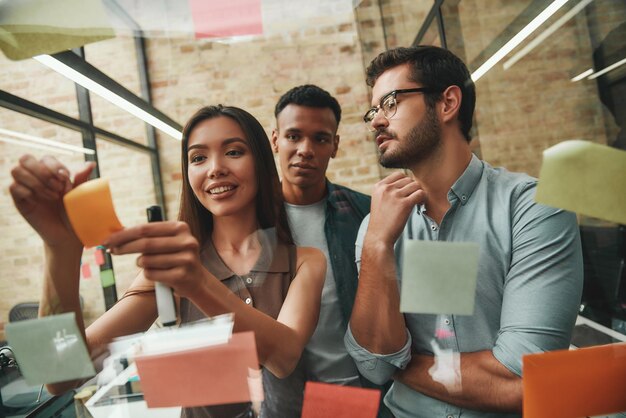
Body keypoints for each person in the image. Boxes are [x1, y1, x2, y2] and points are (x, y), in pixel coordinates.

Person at [9, 105, 326, 418]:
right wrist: (59, 248)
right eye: (198, 157)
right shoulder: (168, 271)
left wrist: (198, 283)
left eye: (233, 152)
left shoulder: (305, 262)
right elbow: (58, 375)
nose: (214, 168)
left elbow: (284, 358)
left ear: (261, 162)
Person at [345, 46, 584, 417]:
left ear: (447, 103)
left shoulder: (533, 207)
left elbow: (520, 377)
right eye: (373, 110)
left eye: (390, 102)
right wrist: (377, 244)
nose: (376, 121)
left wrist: (402, 364)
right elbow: (374, 367)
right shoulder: (379, 225)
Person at [271, 85, 391, 416]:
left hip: (368, 396)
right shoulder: (252, 225)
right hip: (293, 404)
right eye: (293, 136)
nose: (305, 149)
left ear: (335, 146)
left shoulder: (367, 215)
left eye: (320, 138)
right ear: (275, 140)